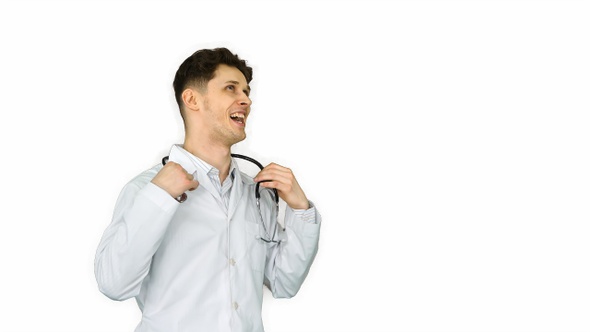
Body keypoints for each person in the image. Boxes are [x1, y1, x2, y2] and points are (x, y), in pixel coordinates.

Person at [94, 47, 321, 332]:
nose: (246, 100)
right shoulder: (146, 190)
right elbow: (114, 284)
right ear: (192, 99)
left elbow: (284, 283)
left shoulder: (258, 194)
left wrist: (300, 210)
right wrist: (159, 196)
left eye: (247, 92)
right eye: (231, 88)